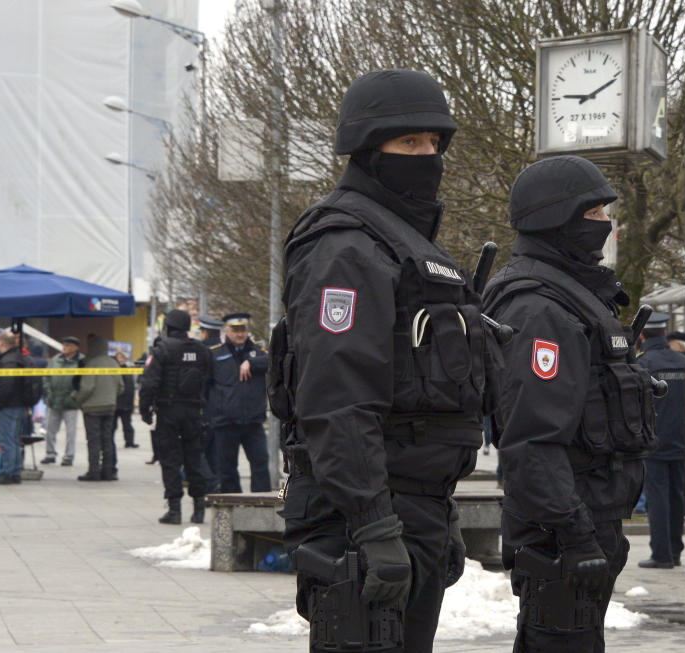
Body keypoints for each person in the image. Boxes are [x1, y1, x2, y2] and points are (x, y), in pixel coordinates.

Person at [277, 69, 485, 652]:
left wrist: (435, 516)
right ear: (370, 149)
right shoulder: (347, 244)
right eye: (408, 143)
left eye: (434, 143)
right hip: (361, 510)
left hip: (410, 504)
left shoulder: (404, 241)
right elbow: (337, 398)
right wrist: (374, 523)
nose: (428, 156)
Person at [483, 155, 656, 652]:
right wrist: (573, 534)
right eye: (595, 213)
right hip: (560, 533)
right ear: (557, 218)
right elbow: (532, 438)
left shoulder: (573, 296)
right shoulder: (540, 307)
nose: (606, 224)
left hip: (585, 518)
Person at [140, 309, 213, 523]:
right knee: (194, 459)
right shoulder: (202, 350)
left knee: (170, 460)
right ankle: (198, 508)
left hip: (169, 412)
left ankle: (174, 510)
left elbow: (149, 383)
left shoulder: (162, 349)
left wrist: (145, 411)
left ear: (168, 327)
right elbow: (209, 378)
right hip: (194, 412)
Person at [637, 314, 685, 569]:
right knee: (677, 496)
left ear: (643, 336)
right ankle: (676, 551)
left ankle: (661, 554)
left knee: (657, 497)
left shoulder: (643, 364)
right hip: (683, 440)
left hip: (654, 440)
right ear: (665, 334)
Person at [206, 313, 270, 494]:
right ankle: (232, 505)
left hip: (253, 421)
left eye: (243, 330)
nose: (240, 334)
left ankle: (261, 504)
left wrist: (251, 362)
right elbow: (206, 386)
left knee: (260, 463)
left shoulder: (257, 352)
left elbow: (274, 362)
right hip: (225, 422)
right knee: (227, 469)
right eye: (235, 330)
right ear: (227, 331)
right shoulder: (215, 354)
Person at [0, 330, 33, 485]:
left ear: (1, 343)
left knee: (6, 440)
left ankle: (7, 473)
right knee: (13, 439)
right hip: (18, 405)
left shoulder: (7, 360)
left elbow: (7, 383)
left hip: (7, 406)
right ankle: (15, 472)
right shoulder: (18, 358)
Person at [74, 335, 121, 481]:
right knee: (107, 439)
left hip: (92, 408)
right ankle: (108, 471)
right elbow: (121, 387)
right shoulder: (114, 363)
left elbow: (88, 387)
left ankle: (93, 471)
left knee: (94, 440)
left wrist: (78, 399)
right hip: (110, 407)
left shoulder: (91, 363)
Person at [41, 336, 83, 466]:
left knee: (70, 431)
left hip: (71, 402)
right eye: (64, 345)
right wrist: (48, 388)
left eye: (69, 345)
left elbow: (84, 380)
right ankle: (50, 453)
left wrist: (76, 394)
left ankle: (69, 456)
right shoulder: (56, 359)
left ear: (76, 348)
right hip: (54, 400)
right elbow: (46, 376)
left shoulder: (82, 361)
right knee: (50, 429)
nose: (65, 347)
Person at [197, 315, 223, 492]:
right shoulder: (224, 350)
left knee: (195, 450)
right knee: (214, 452)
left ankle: (211, 484)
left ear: (205, 333)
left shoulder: (202, 351)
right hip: (222, 408)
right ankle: (216, 486)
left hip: (204, 407)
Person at [113, 351, 138, 449]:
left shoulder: (128, 370)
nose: (120, 359)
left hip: (126, 402)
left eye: (122, 357)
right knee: (112, 426)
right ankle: (108, 442)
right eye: (119, 357)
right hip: (115, 402)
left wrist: (131, 403)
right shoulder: (112, 370)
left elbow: (131, 387)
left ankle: (129, 442)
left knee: (127, 424)